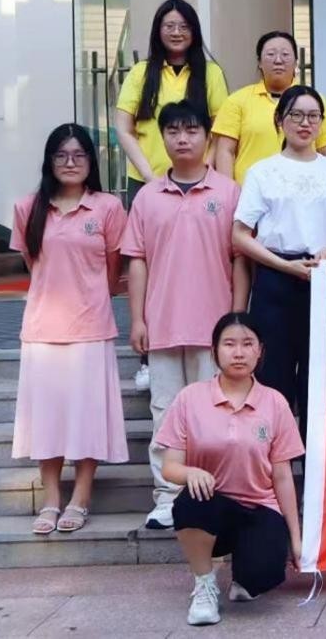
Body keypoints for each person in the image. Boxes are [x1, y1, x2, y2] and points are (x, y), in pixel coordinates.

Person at [122, 100, 250, 530]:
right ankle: (167, 498)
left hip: (214, 328)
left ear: (207, 137)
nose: (182, 138)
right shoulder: (147, 198)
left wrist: (236, 318)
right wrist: (137, 319)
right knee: (165, 414)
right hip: (162, 326)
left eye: (191, 130)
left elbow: (239, 259)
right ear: (162, 137)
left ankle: (218, 494)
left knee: (216, 417)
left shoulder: (228, 193)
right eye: (173, 131)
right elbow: (136, 261)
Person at [10, 123, 128, 535]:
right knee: (48, 419)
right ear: (49, 161)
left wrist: (90, 295)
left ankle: (80, 497)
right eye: (61, 155)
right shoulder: (28, 208)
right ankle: (51, 499)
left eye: (79, 155)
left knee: (87, 418)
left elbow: (113, 270)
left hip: (91, 326)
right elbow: (33, 265)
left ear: (91, 161)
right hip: (42, 328)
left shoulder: (108, 207)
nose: (70, 162)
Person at [157, 312, 305, 626]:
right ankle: (204, 584)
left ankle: (244, 576)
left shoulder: (275, 403)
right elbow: (170, 467)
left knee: (262, 576)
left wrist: (296, 537)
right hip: (211, 505)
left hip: (259, 507)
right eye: (229, 344)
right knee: (190, 502)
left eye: (247, 344)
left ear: (260, 351)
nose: (239, 352)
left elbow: (282, 475)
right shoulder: (190, 399)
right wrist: (190, 473)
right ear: (214, 351)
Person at [233, 85, 326, 434]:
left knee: (318, 376)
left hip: (322, 278)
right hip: (275, 278)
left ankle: (313, 464)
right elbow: (240, 235)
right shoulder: (262, 171)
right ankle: (275, 462)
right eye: (296, 115)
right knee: (274, 376)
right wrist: (285, 265)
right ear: (279, 120)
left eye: (313, 116)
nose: (305, 123)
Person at [116, 0, 229, 203]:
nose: (176, 32)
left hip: (198, 182)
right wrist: (149, 176)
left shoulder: (211, 73)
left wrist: (205, 170)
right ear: (158, 31)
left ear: (194, 32)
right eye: (169, 26)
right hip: (145, 180)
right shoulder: (140, 73)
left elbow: (220, 130)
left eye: (184, 27)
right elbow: (124, 129)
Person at [212, 31, 326, 184]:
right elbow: (225, 151)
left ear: (296, 62)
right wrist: (228, 191)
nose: (278, 60)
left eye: (285, 55)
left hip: (305, 189)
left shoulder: (314, 101)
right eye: (270, 54)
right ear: (259, 62)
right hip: (250, 192)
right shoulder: (237, 100)